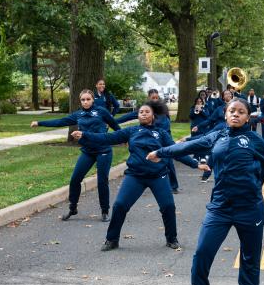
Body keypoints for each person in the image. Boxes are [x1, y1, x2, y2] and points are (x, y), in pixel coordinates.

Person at [148, 98, 264, 285]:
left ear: (248, 117)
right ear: (225, 114)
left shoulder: (255, 140)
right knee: (202, 252)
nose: (235, 114)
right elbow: (189, 145)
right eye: (232, 111)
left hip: (249, 209)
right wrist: (162, 152)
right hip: (220, 208)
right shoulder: (217, 136)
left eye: (241, 112)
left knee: (250, 259)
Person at [72, 100, 206, 251]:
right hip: (135, 176)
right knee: (120, 205)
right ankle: (112, 240)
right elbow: (106, 138)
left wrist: (195, 164)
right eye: (141, 112)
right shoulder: (131, 131)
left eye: (147, 112)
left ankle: (171, 238)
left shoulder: (161, 133)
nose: (143, 114)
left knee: (168, 206)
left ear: (153, 116)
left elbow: (175, 150)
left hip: (158, 176)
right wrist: (84, 135)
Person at [31, 89, 120, 221]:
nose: (85, 102)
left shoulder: (101, 111)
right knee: (75, 179)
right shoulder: (78, 115)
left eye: (88, 99)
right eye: (83, 100)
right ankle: (73, 209)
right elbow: (60, 121)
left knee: (102, 181)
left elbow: (116, 127)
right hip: (88, 151)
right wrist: (39, 123)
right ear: (80, 101)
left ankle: (105, 211)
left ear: (93, 99)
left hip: (104, 151)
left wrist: (127, 138)